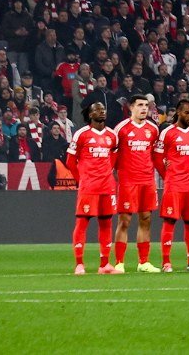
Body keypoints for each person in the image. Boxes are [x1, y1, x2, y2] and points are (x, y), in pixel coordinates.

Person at [66, 101, 119, 274]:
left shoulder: (112, 135)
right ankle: (79, 264)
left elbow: (113, 157)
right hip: (89, 186)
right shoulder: (81, 134)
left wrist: (106, 174)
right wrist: (82, 179)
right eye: (97, 110)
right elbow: (70, 162)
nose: (101, 112)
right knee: (82, 222)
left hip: (107, 186)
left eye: (103, 109)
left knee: (106, 224)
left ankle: (105, 264)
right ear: (90, 114)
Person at [155, 97, 189, 272]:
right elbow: (157, 157)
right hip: (174, 186)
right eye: (187, 113)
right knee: (170, 222)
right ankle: (166, 262)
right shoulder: (167, 133)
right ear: (178, 113)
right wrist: (168, 174)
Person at [113, 96, 161, 272]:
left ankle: (144, 262)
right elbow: (114, 155)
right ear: (131, 107)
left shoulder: (153, 129)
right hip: (128, 181)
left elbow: (155, 155)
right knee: (124, 220)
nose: (143, 109)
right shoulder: (121, 129)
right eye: (140, 105)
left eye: (146, 106)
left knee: (146, 219)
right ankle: (119, 262)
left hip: (147, 180)